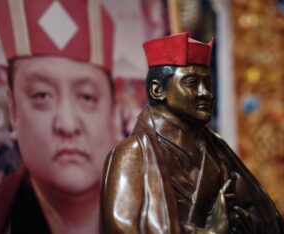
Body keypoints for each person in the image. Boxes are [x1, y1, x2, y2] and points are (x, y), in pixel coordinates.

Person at [100, 32, 284, 234]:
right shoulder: (134, 154)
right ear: (157, 90)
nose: (205, 93)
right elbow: (121, 228)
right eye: (191, 83)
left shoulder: (219, 156)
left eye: (208, 84)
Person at [0, 0, 117, 233]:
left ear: (114, 114)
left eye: (87, 97)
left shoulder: (160, 214)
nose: (67, 124)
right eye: (41, 95)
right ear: (14, 112)